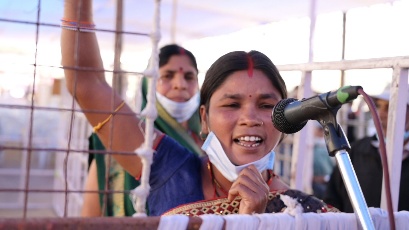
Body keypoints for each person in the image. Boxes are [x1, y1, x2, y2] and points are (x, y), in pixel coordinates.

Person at [62, 0, 337, 216]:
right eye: (231, 104)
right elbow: (88, 83)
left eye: (266, 105)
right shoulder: (169, 167)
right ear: (204, 118)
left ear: (285, 118)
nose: (250, 118)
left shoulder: (300, 211)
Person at [83, 44, 204, 217]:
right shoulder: (123, 140)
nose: (180, 84)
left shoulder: (210, 141)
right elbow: (89, 218)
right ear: (149, 83)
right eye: (167, 76)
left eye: (189, 76)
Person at [324, 85, 409, 212]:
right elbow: (333, 197)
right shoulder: (356, 150)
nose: (381, 113)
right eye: (379, 106)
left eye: (391, 107)